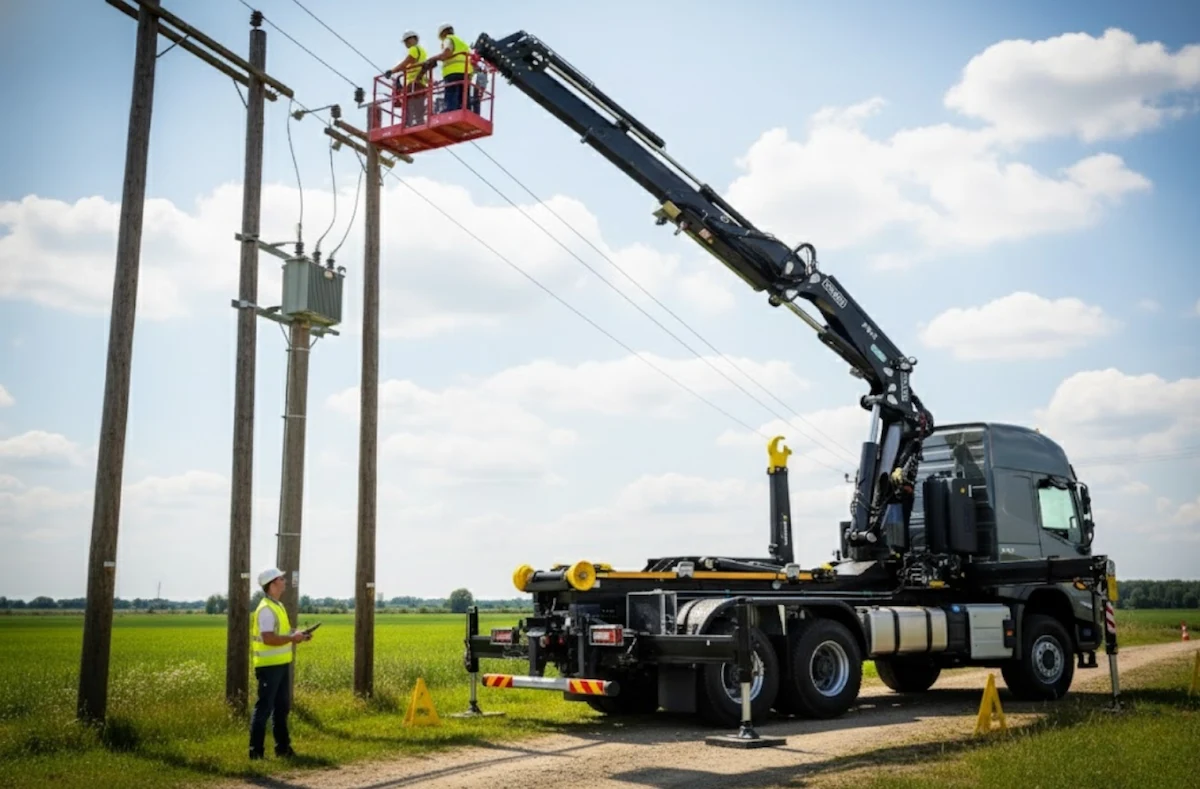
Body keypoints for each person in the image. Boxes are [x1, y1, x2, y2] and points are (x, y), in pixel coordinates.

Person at [248, 567, 311, 760]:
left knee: (282, 708)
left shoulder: (278, 605)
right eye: (281, 579)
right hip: (269, 666)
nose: (284, 581)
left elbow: (284, 630)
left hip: (282, 664)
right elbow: (268, 638)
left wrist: (298, 633)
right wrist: (293, 639)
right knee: (264, 708)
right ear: (273, 584)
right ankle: (256, 753)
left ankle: (283, 749)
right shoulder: (266, 609)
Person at [423, 23, 474, 113]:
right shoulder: (461, 43)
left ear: (443, 33)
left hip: (452, 72)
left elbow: (447, 53)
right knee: (463, 95)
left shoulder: (448, 39)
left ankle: (450, 111)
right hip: (465, 71)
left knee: (451, 93)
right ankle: (465, 110)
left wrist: (433, 59)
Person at [385, 30, 429, 127]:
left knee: (410, 103)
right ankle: (419, 122)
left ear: (415, 39)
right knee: (418, 104)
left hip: (413, 82)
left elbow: (406, 63)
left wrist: (392, 71)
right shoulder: (422, 51)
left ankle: (409, 123)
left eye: (408, 40)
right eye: (405, 41)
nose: (406, 43)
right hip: (420, 82)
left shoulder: (413, 49)